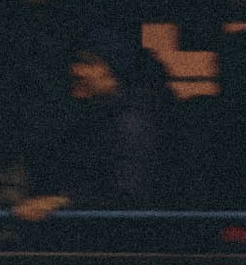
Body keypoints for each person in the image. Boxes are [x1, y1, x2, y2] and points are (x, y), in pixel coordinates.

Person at [14, 27, 171, 222]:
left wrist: (62, 202)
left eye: (90, 63)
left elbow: (129, 195)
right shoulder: (91, 119)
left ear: (115, 74)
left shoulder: (130, 124)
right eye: (76, 62)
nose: (76, 71)